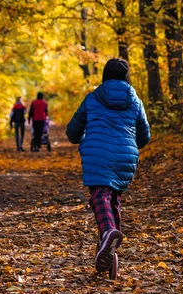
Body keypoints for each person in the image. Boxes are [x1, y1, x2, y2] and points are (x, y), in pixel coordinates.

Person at [66, 58, 150, 273]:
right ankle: (108, 251)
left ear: (104, 76)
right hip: (126, 157)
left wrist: (80, 136)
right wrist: (130, 144)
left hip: (97, 155)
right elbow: (145, 136)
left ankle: (108, 232)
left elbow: (73, 132)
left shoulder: (93, 98)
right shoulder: (135, 101)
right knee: (114, 200)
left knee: (100, 196)